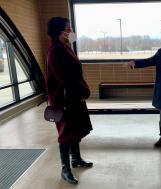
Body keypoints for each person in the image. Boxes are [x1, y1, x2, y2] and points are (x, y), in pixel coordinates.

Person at [46, 17, 93, 185]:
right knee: (66, 133)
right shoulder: (55, 51)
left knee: (75, 128)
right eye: (68, 28)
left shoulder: (65, 47)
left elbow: (75, 74)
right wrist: (83, 90)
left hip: (73, 96)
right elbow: (65, 78)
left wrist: (82, 89)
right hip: (63, 99)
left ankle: (76, 159)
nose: (71, 31)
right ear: (59, 30)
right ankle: (65, 169)